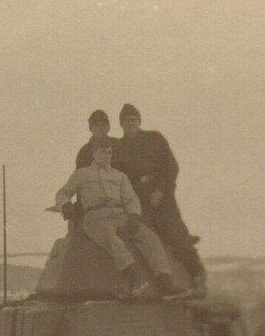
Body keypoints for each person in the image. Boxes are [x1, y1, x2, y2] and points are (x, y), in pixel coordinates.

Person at [55, 135, 181, 299]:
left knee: (150, 238)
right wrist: (66, 205)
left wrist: (134, 216)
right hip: (96, 217)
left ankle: (165, 282)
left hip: (120, 215)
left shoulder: (119, 176)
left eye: (109, 152)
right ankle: (137, 279)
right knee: (111, 238)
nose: (106, 156)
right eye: (102, 152)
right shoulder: (81, 175)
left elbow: (131, 199)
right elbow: (62, 193)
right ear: (94, 153)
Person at [114, 103, 206, 299]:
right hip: (137, 200)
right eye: (126, 121)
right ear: (121, 125)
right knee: (144, 240)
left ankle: (197, 276)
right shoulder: (118, 147)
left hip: (161, 196)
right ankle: (154, 286)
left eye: (133, 120)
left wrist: (161, 190)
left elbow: (171, 166)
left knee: (176, 235)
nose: (130, 124)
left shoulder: (154, 138)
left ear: (139, 121)